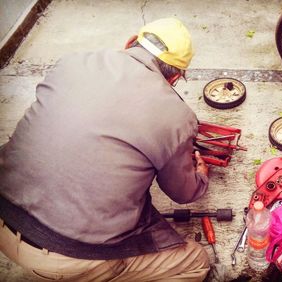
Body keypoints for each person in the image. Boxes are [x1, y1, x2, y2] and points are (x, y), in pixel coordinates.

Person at [0, 18, 211, 281]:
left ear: (129, 43)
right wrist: (199, 177)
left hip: (3, 211)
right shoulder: (177, 116)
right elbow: (183, 192)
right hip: (64, 257)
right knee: (196, 261)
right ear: (175, 77)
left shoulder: (73, 61)